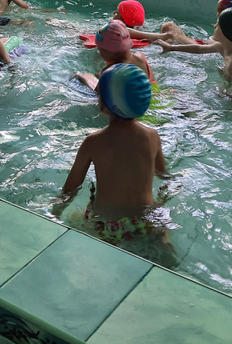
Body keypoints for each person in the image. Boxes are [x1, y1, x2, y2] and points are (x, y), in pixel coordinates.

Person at [61, 64, 167, 236]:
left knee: (74, 217)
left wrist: (56, 210)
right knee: (159, 216)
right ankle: (163, 240)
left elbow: (71, 187)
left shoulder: (93, 141)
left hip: (107, 224)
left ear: (103, 104)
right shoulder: (152, 137)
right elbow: (163, 174)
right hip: (145, 222)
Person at [154, 8, 232, 96]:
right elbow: (199, 49)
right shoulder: (223, 46)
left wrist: (228, 99)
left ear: (226, 32)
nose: (214, 26)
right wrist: (170, 47)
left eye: (218, 25)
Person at [129, 0, 232, 44]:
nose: (218, 14)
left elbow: (231, 49)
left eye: (222, 10)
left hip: (203, 49)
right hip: (202, 44)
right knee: (169, 27)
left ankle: (145, 36)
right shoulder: (227, 25)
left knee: (169, 31)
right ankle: (153, 37)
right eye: (218, 10)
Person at [76, 20, 155, 90]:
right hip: (155, 98)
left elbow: (100, 94)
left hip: (132, 102)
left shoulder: (109, 71)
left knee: (79, 77)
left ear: (109, 52)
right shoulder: (140, 57)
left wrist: (84, 79)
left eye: (100, 50)